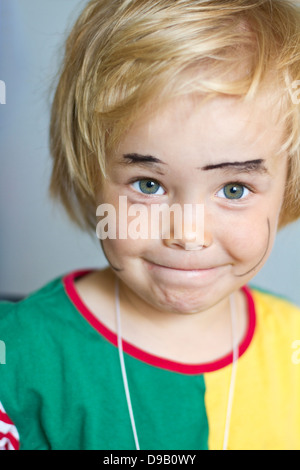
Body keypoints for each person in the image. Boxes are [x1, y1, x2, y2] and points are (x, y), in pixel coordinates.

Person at [1, 0, 300, 451]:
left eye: (234, 189)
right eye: (148, 184)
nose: (189, 234)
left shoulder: (292, 345)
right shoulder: (20, 355)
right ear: (88, 171)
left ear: (289, 187)